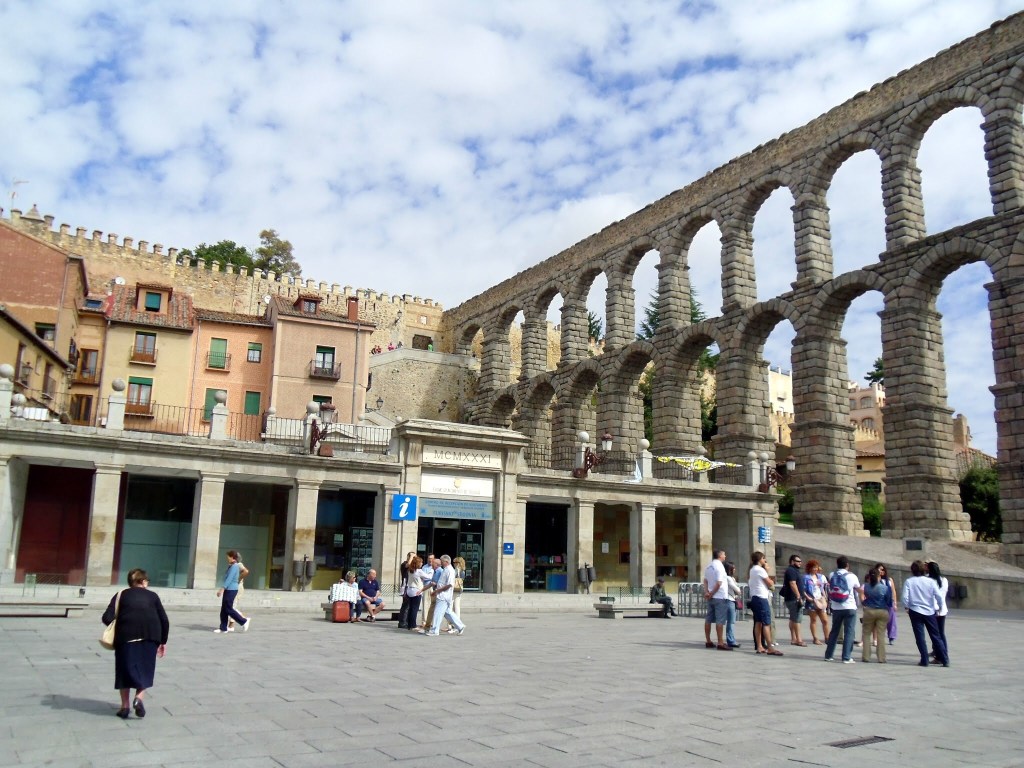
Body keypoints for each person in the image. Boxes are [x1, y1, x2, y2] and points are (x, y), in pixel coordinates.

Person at [101, 568, 169, 718]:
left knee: (124, 671)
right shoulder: (153, 596)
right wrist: (163, 641)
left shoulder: (121, 595)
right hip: (151, 637)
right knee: (145, 670)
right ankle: (138, 699)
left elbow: (107, 617)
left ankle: (124, 707)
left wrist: (121, 624)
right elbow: (164, 619)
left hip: (126, 638)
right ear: (143, 581)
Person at [903, 560, 949, 667]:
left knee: (920, 637)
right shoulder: (930, 581)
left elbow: (905, 597)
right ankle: (945, 659)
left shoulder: (909, 581)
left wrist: (907, 606)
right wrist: (940, 607)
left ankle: (924, 659)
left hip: (915, 610)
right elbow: (938, 596)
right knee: (936, 636)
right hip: (929, 611)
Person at [824, 555, 860, 663]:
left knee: (834, 631)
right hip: (849, 606)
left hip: (836, 607)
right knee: (849, 631)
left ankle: (828, 655)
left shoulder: (832, 575)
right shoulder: (852, 576)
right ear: (847, 565)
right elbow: (858, 588)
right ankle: (846, 657)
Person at [749, 551, 782, 655]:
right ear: (759, 559)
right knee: (766, 623)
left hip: (755, 597)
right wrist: (768, 574)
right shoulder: (760, 570)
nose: (764, 560)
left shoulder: (752, 570)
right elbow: (770, 583)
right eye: (763, 558)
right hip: (762, 598)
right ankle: (770, 647)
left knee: (758, 622)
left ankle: (759, 646)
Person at [426, 554, 465, 636]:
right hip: (443, 595)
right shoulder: (446, 569)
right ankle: (460, 626)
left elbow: (450, 584)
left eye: (442, 561)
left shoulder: (450, 570)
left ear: (446, 562)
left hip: (444, 596)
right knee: (448, 613)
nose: (441, 563)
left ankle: (434, 630)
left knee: (438, 612)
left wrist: (437, 591)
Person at [215, 550, 251, 633]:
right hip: (229, 589)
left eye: (228, 556)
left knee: (228, 608)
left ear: (232, 557)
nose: (227, 558)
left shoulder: (235, 566)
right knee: (224, 609)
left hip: (232, 589)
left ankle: (244, 621)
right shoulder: (231, 566)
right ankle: (223, 628)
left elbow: (229, 578)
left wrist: (222, 589)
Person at [860, 567, 891, 663]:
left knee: (866, 633)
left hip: (869, 611)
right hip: (882, 611)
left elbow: (865, 599)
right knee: (881, 634)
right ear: (879, 577)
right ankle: (881, 658)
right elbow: (889, 601)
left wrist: (865, 603)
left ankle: (866, 656)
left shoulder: (866, 586)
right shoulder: (885, 588)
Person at [702, 549, 731, 650]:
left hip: (711, 597)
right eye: (724, 554)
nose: (725, 556)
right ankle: (720, 642)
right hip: (719, 596)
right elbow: (719, 583)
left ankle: (708, 640)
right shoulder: (719, 566)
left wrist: (707, 592)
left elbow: (705, 580)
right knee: (720, 620)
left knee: (708, 619)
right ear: (720, 556)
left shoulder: (709, 566)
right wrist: (712, 593)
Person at [781, 553, 807, 646]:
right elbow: (793, 583)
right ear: (792, 562)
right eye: (798, 561)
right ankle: (798, 640)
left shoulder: (794, 570)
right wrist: (798, 596)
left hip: (792, 598)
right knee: (797, 619)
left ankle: (793, 638)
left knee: (793, 618)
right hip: (793, 598)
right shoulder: (791, 570)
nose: (800, 563)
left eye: (800, 561)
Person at [802, 560, 829, 645]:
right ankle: (815, 638)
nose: (815, 569)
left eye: (816, 567)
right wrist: (808, 598)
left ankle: (827, 637)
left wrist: (825, 596)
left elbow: (823, 588)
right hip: (812, 600)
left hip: (820, 599)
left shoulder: (820, 577)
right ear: (809, 568)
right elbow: (803, 590)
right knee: (813, 620)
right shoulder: (806, 578)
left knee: (825, 620)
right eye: (813, 567)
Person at [927, 561, 949, 658]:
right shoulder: (944, 580)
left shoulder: (929, 581)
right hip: (942, 609)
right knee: (941, 633)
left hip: (933, 609)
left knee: (935, 634)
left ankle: (940, 655)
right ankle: (940, 651)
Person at [226, 553, 249, 631]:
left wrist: (238, 579)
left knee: (231, 607)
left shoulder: (238, 564)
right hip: (233, 587)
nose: (228, 558)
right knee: (231, 606)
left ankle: (244, 619)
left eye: (230, 556)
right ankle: (231, 626)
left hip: (237, 588)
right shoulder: (232, 566)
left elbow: (245, 571)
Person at [404, 556, 427, 632]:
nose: (422, 563)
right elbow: (428, 577)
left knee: (411, 608)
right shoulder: (419, 571)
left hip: (410, 590)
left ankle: (409, 624)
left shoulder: (410, 570)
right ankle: (413, 625)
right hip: (416, 591)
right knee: (415, 609)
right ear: (418, 563)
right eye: (421, 562)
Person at [724, 561, 742, 649]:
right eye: (733, 568)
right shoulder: (728, 578)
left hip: (732, 599)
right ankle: (730, 640)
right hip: (729, 600)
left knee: (731, 621)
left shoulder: (731, 578)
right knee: (731, 621)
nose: (735, 570)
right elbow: (737, 589)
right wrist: (738, 590)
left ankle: (731, 639)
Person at [397, 552, 416, 629]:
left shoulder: (413, 566)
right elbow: (407, 565)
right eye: (412, 557)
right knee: (405, 605)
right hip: (405, 587)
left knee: (409, 605)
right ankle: (402, 622)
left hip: (410, 587)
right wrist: (411, 556)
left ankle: (407, 621)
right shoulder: (404, 564)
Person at [449, 556, 468, 632]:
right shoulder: (461, 570)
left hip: (455, 590)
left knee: (454, 607)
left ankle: (456, 625)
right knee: (455, 607)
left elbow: (454, 578)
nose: (453, 564)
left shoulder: (459, 571)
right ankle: (455, 624)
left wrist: (456, 571)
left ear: (458, 563)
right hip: (457, 590)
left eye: (455, 562)